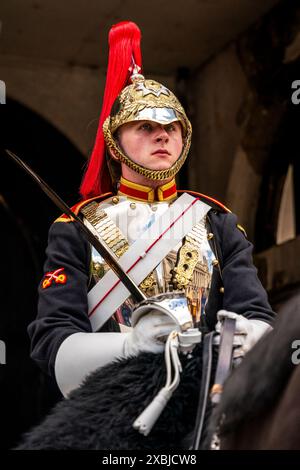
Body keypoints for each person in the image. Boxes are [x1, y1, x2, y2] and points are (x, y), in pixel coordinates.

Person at [28, 21, 275, 398]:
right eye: (144, 126)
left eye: (172, 127)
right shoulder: (76, 227)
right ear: (114, 145)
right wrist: (128, 347)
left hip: (204, 399)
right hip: (111, 400)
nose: (162, 134)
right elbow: (53, 340)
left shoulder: (217, 221)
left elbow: (257, 315)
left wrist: (248, 335)